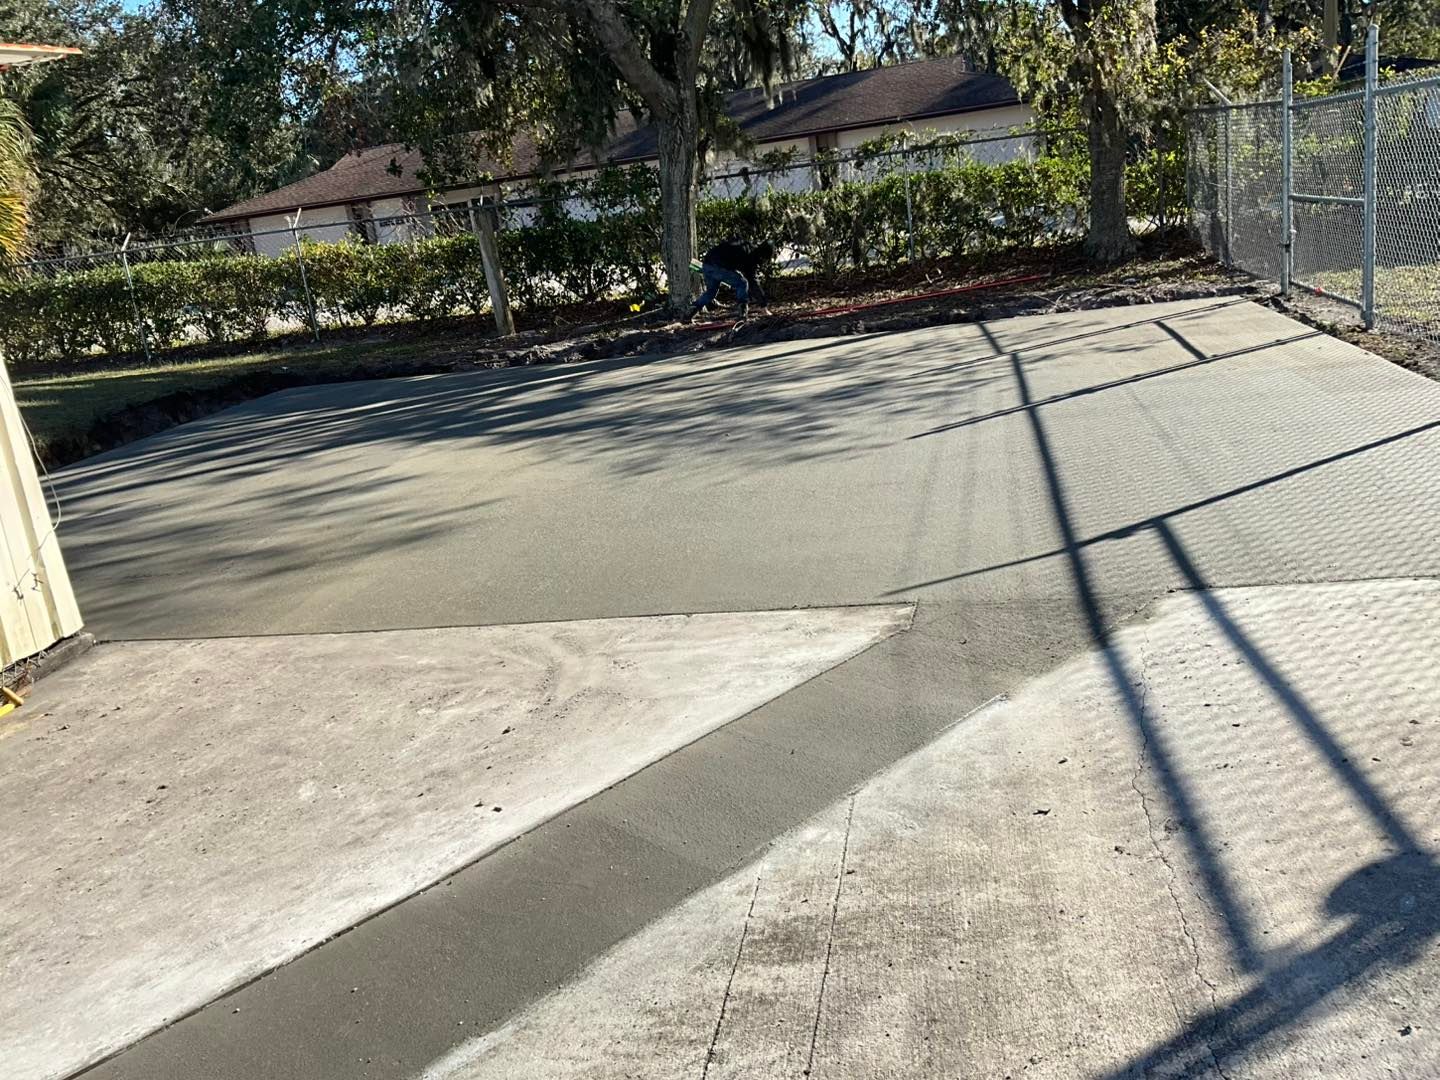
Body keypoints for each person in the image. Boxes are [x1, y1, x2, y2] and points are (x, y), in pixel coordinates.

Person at [688, 238, 773, 321]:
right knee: (742, 283)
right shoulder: (751, 256)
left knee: (711, 292)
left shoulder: (746, 245)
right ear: (763, 255)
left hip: (706, 264)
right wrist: (763, 305)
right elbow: (753, 282)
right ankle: (742, 313)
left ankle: (690, 312)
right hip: (717, 266)